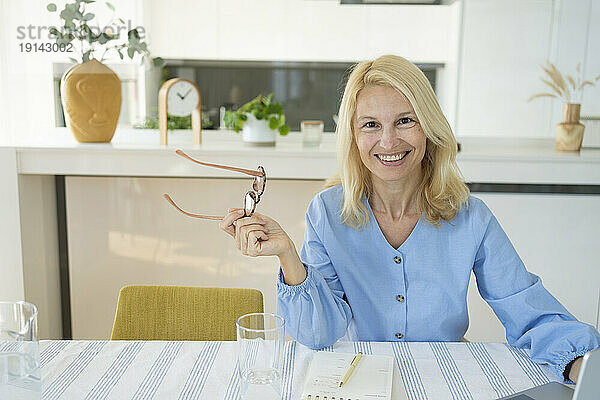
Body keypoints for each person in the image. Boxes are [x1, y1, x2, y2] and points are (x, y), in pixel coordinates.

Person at [219, 55, 600, 383]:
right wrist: (288, 255)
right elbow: (319, 334)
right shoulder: (327, 212)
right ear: (353, 136)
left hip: (443, 377)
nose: (388, 141)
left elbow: (527, 308)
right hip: (353, 380)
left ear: (429, 127)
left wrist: (582, 363)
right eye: (370, 125)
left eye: (405, 121)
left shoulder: (471, 217)